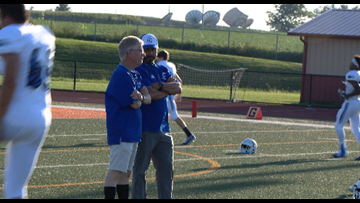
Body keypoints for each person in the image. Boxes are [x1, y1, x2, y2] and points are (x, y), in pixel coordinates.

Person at [0, 4, 55, 199]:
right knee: (15, 190)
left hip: (15, 114)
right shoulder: (44, 34)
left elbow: (11, 80)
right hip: (40, 118)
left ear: (6, 18)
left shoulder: (10, 33)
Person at [132, 33, 182, 199]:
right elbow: (151, 94)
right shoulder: (138, 70)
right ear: (141, 50)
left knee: (166, 171)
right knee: (140, 171)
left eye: (153, 49)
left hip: (164, 129)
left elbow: (178, 88)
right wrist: (164, 89)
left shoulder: (161, 69)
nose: (151, 53)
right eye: (147, 49)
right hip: (145, 129)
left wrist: (160, 86)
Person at [104, 36, 151, 199]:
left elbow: (146, 98)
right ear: (129, 52)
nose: (143, 54)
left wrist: (141, 98)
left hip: (132, 132)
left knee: (126, 173)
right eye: (141, 50)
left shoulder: (133, 74)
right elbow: (135, 104)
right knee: (115, 172)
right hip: (123, 131)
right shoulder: (122, 75)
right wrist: (141, 99)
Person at [157, 50, 196, 145]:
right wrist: (179, 94)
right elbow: (179, 80)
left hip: (167, 94)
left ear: (160, 57)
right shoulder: (171, 65)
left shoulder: (159, 66)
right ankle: (188, 134)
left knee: (173, 115)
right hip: (171, 93)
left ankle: (189, 134)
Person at [332, 55, 360, 160]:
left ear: (356, 64)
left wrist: (346, 95)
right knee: (355, 129)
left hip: (350, 103)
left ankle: (342, 149)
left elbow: (358, 90)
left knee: (338, 125)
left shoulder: (351, 74)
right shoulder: (358, 74)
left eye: (352, 63)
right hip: (357, 102)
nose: (350, 64)